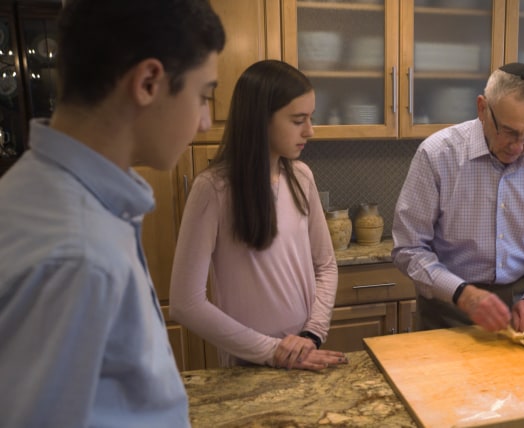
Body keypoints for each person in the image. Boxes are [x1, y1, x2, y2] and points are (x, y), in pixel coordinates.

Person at [0, 0, 225, 426]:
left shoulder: (45, 193)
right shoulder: (77, 253)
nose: (205, 122)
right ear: (148, 82)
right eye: (203, 96)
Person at [169, 60, 347, 371]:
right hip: (248, 363)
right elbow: (186, 303)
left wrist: (312, 334)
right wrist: (272, 350)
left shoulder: (301, 177)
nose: (310, 130)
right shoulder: (213, 189)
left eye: (310, 118)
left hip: (305, 354)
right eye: (297, 120)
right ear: (259, 120)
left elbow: (326, 265)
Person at [392, 63, 524, 334]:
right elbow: (409, 249)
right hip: (448, 309)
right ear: (482, 108)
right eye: (510, 131)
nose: (519, 146)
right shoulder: (438, 154)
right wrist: (463, 294)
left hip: (518, 308)